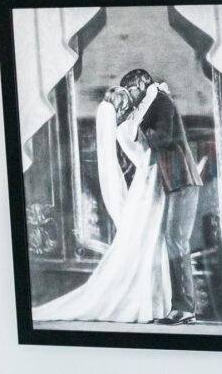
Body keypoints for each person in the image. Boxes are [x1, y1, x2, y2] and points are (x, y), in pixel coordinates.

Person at [32, 84, 172, 323]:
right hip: (146, 189)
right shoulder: (125, 130)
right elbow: (142, 123)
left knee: (150, 243)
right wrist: (153, 93)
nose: (130, 108)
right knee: (146, 243)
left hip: (147, 186)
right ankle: (145, 304)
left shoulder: (124, 129)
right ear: (120, 109)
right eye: (126, 105)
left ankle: (153, 304)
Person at [121, 68, 203, 326]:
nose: (130, 97)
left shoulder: (159, 102)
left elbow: (163, 137)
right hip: (178, 181)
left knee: (176, 240)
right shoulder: (156, 101)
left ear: (141, 84)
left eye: (131, 90)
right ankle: (183, 308)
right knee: (175, 240)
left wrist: (140, 126)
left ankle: (183, 309)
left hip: (182, 179)